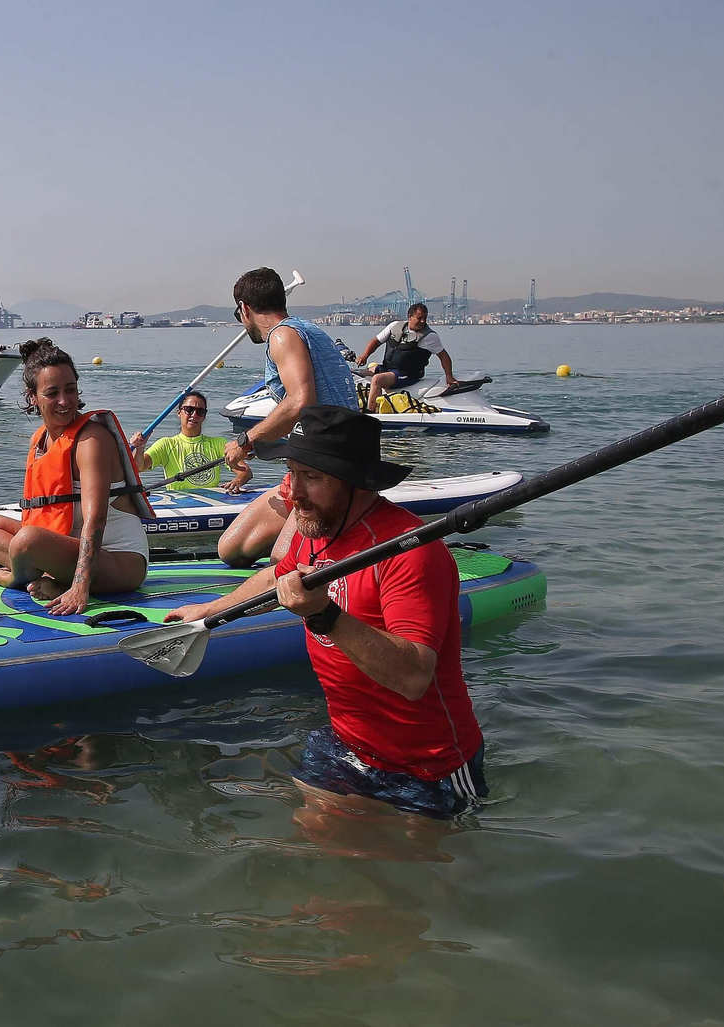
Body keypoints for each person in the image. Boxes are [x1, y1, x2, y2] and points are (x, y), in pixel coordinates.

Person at [165, 406, 486, 819]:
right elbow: (277, 578)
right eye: (292, 472)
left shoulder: (411, 553)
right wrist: (211, 609)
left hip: (428, 765)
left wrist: (325, 615)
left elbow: (414, 678)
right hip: (346, 743)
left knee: (413, 860)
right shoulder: (315, 528)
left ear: (357, 482)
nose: (294, 492)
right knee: (315, 839)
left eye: (312, 477)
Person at [0, 339, 153, 615]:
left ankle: (10, 577)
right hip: (65, 551)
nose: (64, 401)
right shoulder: (39, 440)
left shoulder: (92, 440)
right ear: (33, 397)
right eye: (52, 393)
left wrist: (80, 586)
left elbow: (95, 520)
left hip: (119, 561)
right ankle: (43, 576)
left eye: (70, 389)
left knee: (28, 540)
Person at [216, 267, 362, 568]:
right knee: (231, 549)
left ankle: (327, 545)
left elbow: (299, 401)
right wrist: (263, 441)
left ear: (245, 309)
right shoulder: (304, 329)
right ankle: (312, 537)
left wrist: (246, 440)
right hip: (307, 462)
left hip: (330, 469)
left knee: (282, 563)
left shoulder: (282, 336)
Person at [127, 390, 251, 493]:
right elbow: (138, 468)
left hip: (211, 504)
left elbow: (245, 472)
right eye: (189, 410)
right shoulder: (166, 444)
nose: (194, 415)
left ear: (204, 416)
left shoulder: (218, 444)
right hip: (180, 505)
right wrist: (140, 448)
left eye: (200, 411)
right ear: (179, 413)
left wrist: (237, 482)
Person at [353, 302, 458, 412]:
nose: (423, 321)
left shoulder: (429, 337)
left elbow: (444, 357)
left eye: (425, 318)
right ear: (410, 316)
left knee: (377, 379)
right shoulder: (394, 326)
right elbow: (376, 341)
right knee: (358, 374)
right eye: (419, 318)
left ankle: (370, 413)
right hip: (387, 369)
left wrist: (449, 377)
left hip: (406, 374)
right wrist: (364, 356)